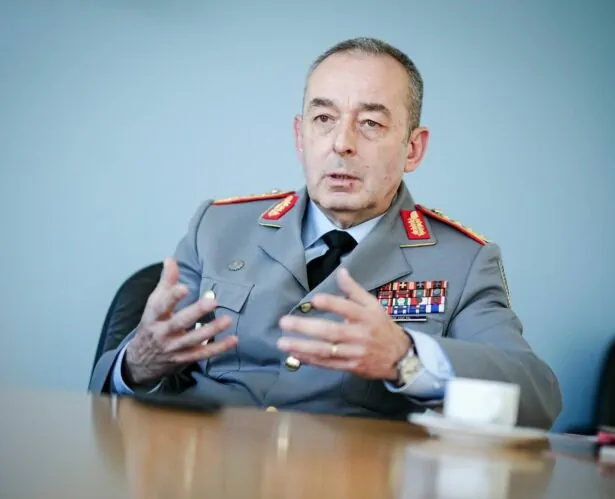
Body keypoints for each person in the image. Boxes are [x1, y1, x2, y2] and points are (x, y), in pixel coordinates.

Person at [89, 37, 562, 429]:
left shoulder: (461, 261)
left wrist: (406, 358)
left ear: (413, 149)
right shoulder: (218, 227)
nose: (342, 143)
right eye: (324, 119)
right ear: (301, 137)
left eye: (371, 123)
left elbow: (538, 396)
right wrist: (138, 362)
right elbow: (106, 389)